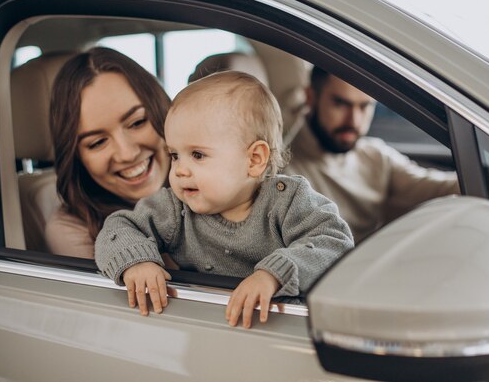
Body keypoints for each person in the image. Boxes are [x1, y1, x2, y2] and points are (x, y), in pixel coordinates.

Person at [94, 71, 354, 328]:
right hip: (205, 325)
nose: (180, 170)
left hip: (278, 326)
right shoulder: (176, 209)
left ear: (254, 159)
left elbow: (334, 241)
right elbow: (118, 227)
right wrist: (137, 261)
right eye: (175, 155)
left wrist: (274, 274)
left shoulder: (287, 200)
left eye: (197, 155)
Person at [284, 66, 460, 243]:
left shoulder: (375, 156)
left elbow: (438, 186)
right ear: (310, 97)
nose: (354, 120)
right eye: (340, 104)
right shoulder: (283, 172)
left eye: (364, 106)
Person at [46, 47, 172, 259]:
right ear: (77, 157)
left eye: (137, 122)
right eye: (97, 143)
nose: (127, 154)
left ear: (163, 111)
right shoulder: (74, 231)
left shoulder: (221, 182)